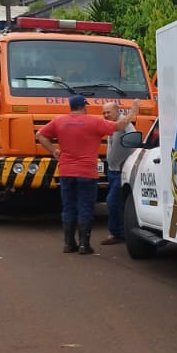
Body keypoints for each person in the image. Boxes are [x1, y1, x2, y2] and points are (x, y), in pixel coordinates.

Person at [35, 95, 135, 254]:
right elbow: (120, 125)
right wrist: (133, 111)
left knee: (68, 206)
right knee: (85, 207)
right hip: (87, 172)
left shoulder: (59, 121)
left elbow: (40, 135)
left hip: (66, 171)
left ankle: (69, 244)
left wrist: (54, 150)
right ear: (83, 106)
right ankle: (84, 245)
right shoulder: (94, 122)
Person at [99, 101, 137, 246]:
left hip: (121, 171)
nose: (106, 115)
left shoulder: (124, 123)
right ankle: (122, 232)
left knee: (112, 201)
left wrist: (130, 162)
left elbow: (134, 139)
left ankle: (117, 233)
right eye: (104, 112)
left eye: (108, 112)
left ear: (117, 111)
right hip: (112, 170)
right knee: (118, 202)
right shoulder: (113, 125)